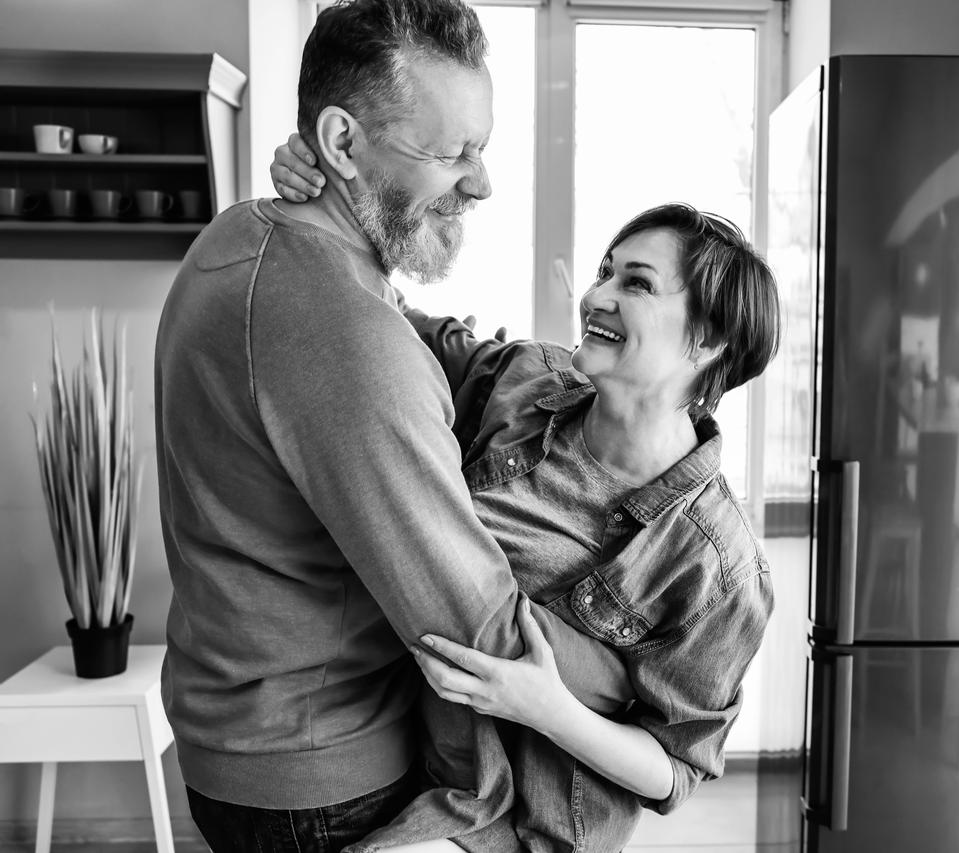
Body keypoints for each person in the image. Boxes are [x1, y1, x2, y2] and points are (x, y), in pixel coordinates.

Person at [154, 2, 632, 852]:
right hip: (325, 785)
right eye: (451, 152)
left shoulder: (242, 236)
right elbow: (476, 629)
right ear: (340, 144)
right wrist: (652, 682)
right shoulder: (342, 335)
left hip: (247, 749)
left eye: (480, 147)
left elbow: (379, 330)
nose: (481, 183)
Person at [283, 129, 779, 853]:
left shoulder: (721, 565)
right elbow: (379, 319)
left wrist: (547, 706)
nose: (595, 294)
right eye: (606, 270)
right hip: (400, 750)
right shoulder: (523, 381)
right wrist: (330, 186)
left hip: (523, 824)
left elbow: (673, 770)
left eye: (635, 283)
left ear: (708, 340)